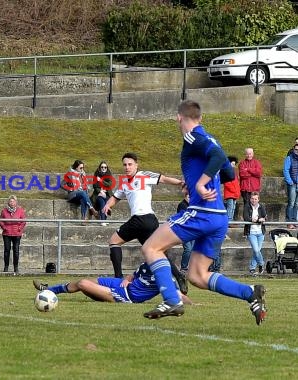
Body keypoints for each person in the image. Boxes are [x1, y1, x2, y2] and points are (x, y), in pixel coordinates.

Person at [140, 100, 266, 326]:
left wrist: (200, 184)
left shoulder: (191, 137)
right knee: (197, 275)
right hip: (218, 216)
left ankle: (170, 300)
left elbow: (218, 158)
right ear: (201, 118)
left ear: (179, 117)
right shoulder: (210, 138)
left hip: (202, 212)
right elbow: (228, 173)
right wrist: (194, 181)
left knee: (151, 247)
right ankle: (251, 293)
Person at [102, 152, 184, 283]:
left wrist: (180, 183)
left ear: (136, 165)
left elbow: (163, 179)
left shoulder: (143, 175)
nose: (127, 167)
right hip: (149, 222)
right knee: (157, 251)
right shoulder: (124, 183)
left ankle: (118, 278)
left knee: (114, 241)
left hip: (141, 218)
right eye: (125, 165)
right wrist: (108, 205)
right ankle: (179, 276)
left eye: (130, 164)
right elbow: (116, 197)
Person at [32, 262, 192, 305]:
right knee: (90, 279)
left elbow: (177, 295)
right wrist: (126, 280)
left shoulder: (163, 275)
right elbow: (133, 275)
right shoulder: (147, 263)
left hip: (127, 296)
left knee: (82, 284)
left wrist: (193, 304)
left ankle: (48, 294)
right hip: (123, 285)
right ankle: (47, 290)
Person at [0, 195, 26, 273]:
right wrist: (4, 228)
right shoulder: (4, 211)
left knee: (16, 250)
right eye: (10, 201)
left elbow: (23, 221)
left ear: (16, 202)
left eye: (13, 201)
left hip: (17, 233)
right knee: (6, 250)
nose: (12, 203)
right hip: (7, 233)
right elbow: (0, 221)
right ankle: (6, 267)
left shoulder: (20, 210)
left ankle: (16, 267)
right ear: (8, 202)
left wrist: (19, 228)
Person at [243, 192, 267, 276]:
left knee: (256, 251)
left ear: (258, 199)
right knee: (256, 250)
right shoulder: (247, 206)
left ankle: (252, 268)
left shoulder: (261, 207)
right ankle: (261, 264)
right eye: (252, 198)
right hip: (251, 232)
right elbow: (246, 218)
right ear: (250, 199)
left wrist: (261, 219)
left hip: (260, 232)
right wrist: (257, 220)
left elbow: (264, 217)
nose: (254, 200)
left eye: (255, 199)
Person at [176, 184, 193, 273]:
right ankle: (183, 267)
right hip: (184, 231)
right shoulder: (182, 205)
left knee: (192, 249)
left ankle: (189, 267)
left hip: (192, 231)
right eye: (189, 196)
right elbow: (181, 218)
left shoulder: (193, 206)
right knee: (188, 249)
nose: (190, 198)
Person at [283, 143, 298, 230]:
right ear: (293, 150)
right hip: (292, 184)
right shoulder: (289, 158)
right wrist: (290, 181)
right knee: (291, 203)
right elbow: (285, 170)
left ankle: (295, 221)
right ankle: (289, 222)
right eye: (296, 149)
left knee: (297, 204)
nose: (297, 151)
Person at [223, 155, 241, 226]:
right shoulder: (227, 172)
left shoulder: (235, 173)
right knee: (230, 207)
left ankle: (231, 220)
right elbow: (227, 183)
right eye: (232, 164)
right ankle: (228, 220)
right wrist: (234, 190)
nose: (233, 166)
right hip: (229, 194)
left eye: (234, 164)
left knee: (233, 207)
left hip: (234, 193)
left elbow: (237, 184)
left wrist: (237, 191)